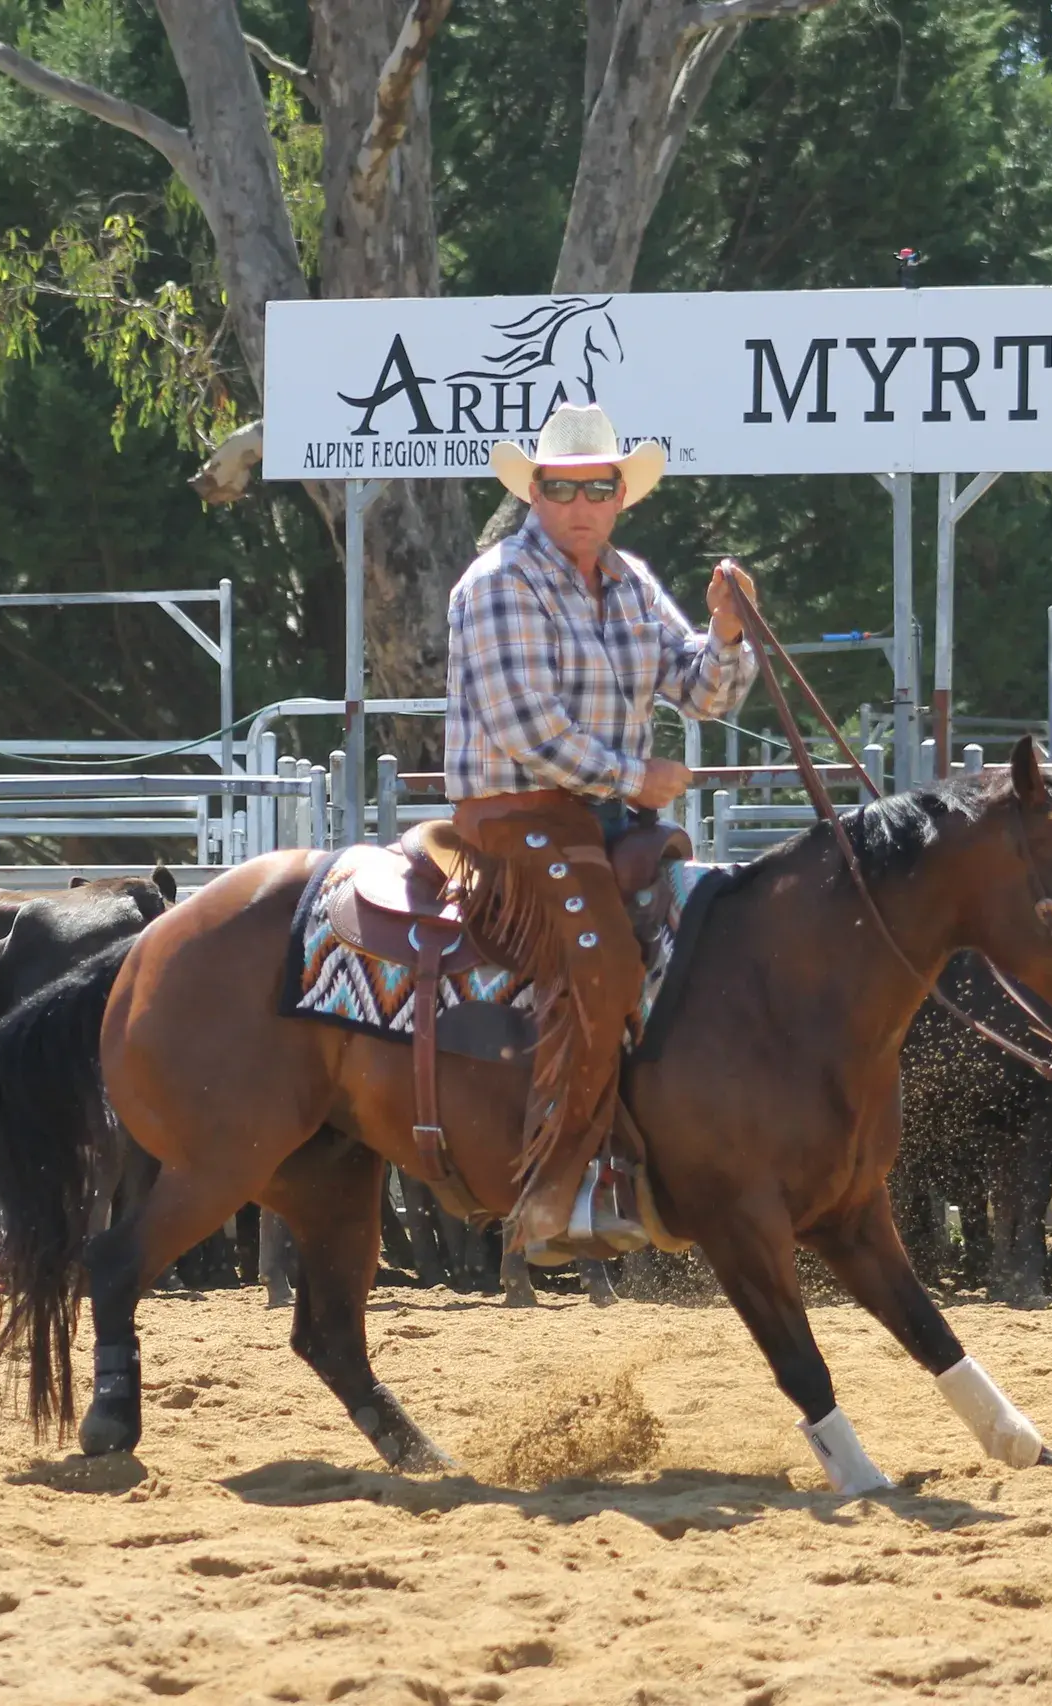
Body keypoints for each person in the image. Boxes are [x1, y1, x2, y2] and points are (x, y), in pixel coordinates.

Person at [447, 402, 759, 1263]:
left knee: (707, 939)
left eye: (596, 487)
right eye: (560, 487)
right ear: (534, 494)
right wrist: (636, 776)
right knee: (608, 957)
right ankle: (563, 1188)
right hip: (515, 818)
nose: (580, 503)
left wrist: (726, 632)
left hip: (608, 822)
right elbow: (526, 730)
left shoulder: (631, 584)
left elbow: (703, 692)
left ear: (621, 494)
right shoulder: (498, 582)